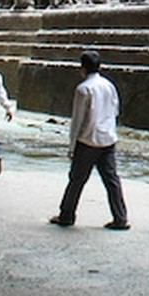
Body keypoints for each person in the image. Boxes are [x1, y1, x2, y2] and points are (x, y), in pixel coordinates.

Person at [49, 50, 129, 230]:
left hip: (87, 140)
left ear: (83, 68)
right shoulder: (109, 85)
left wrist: (72, 146)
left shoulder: (83, 89)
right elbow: (115, 110)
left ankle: (67, 215)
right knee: (111, 180)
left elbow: (78, 119)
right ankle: (120, 217)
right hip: (108, 139)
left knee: (76, 179)